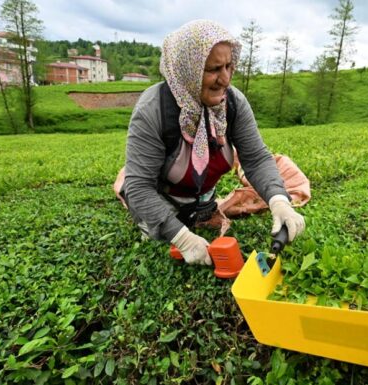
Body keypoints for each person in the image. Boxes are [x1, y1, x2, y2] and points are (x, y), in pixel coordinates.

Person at [120, 20, 305, 265]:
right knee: (159, 236)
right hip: (163, 201)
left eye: (229, 66)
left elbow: (256, 158)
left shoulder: (233, 103)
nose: (225, 79)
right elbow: (139, 186)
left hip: (203, 202)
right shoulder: (152, 110)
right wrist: (182, 238)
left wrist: (279, 201)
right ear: (188, 68)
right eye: (214, 69)